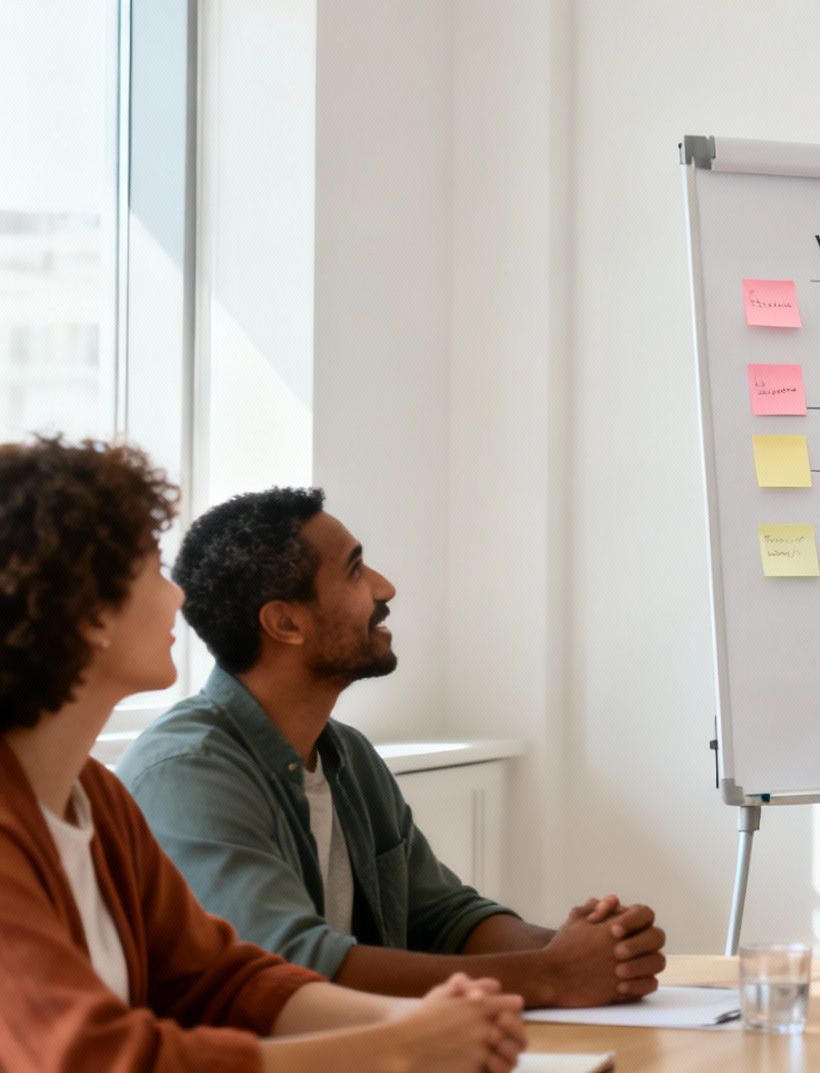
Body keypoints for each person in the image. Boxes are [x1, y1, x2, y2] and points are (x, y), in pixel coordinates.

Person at [0, 436, 525, 1072]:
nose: (176, 598)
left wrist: (420, 1021)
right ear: (85, 608)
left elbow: (222, 980)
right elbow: (101, 1057)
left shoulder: (96, 800)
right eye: (147, 569)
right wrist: (400, 1044)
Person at [118, 487, 666, 1007]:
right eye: (355, 570)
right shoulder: (187, 774)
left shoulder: (346, 755)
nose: (385, 587)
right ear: (285, 622)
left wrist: (589, 948)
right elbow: (289, 966)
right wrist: (551, 976)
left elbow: (447, 918)